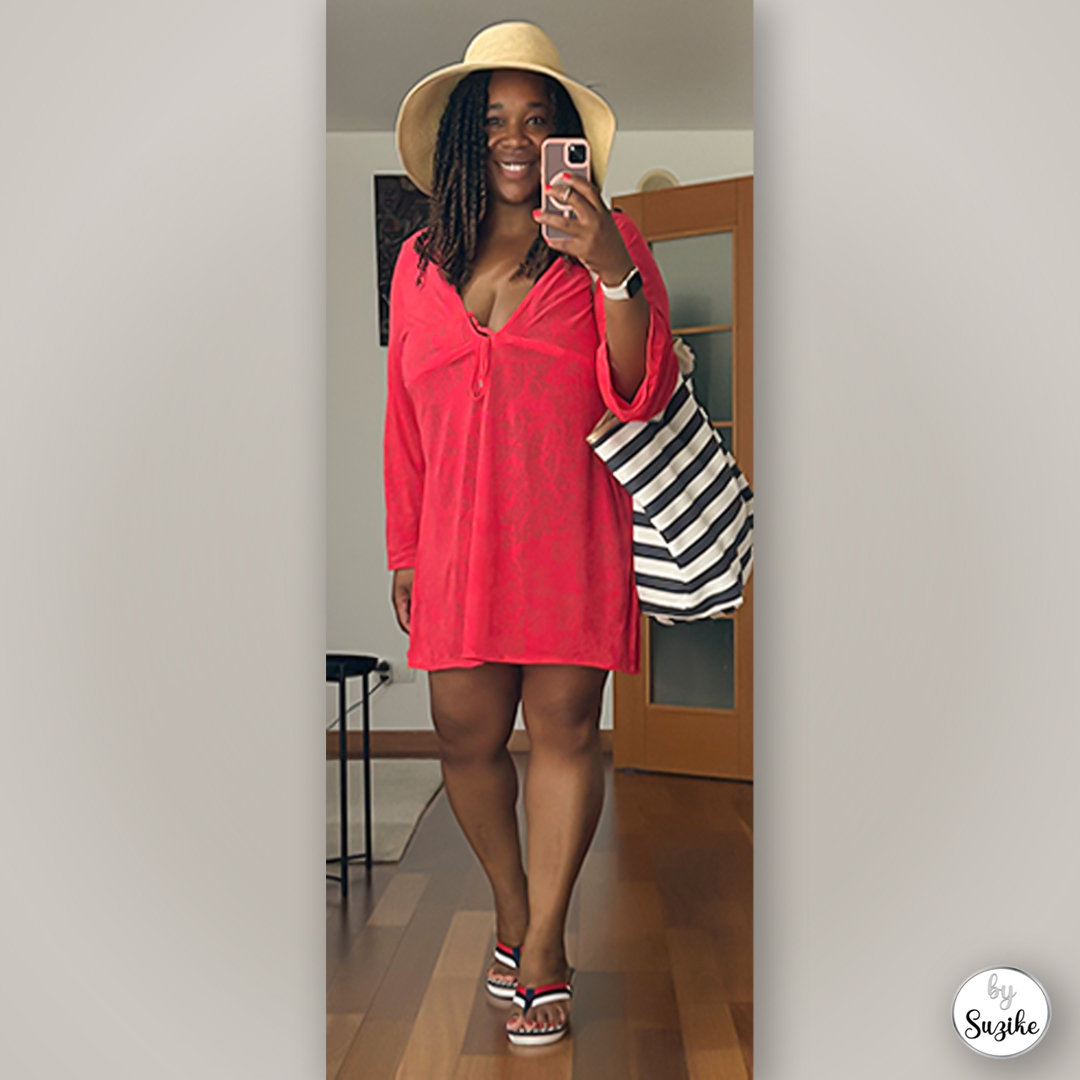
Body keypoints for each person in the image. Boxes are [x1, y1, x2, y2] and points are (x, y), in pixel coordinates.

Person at [384, 21, 677, 1046]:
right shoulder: (419, 264)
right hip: (455, 539)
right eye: (496, 120)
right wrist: (405, 548)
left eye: (537, 119)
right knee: (465, 738)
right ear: (467, 137)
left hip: (569, 534)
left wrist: (610, 271)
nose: (516, 139)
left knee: (563, 734)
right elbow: (405, 419)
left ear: (565, 140)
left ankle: (544, 945)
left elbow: (641, 388)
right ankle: (513, 910)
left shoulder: (610, 241)